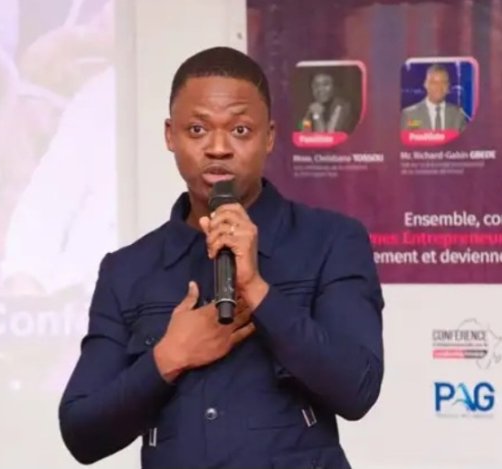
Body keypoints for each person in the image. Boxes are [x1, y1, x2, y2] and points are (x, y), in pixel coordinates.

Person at [59, 46, 384, 469]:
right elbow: (82, 434)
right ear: (170, 135)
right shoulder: (127, 270)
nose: (217, 148)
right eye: (197, 129)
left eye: (240, 130)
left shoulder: (331, 241)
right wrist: (168, 357)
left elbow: (357, 389)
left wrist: (258, 291)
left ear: (269, 136)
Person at [401, 63, 467, 131]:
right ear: (425, 84)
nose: (439, 87)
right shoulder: (410, 115)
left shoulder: (458, 115)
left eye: (443, 82)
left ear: (448, 86)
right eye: (434, 83)